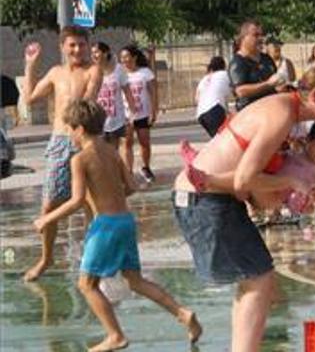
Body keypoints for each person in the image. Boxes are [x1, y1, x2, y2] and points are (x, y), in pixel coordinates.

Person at [171, 65, 315, 351]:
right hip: (203, 198)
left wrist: (280, 194)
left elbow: (248, 184)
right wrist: (291, 182)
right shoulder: (282, 114)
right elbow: (243, 181)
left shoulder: (283, 110)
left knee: (256, 280)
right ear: (314, 95)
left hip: (201, 196)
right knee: (259, 280)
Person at [34, 99, 201, 351]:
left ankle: (115, 335)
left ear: (79, 129)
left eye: (69, 129)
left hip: (106, 226)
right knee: (135, 280)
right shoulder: (112, 151)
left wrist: (47, 218)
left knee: (86, 284)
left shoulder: (79, 159)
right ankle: (182, 314)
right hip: (125, 221)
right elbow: (133, 187)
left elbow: (77, 200)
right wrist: (110, 193)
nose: (69, 135)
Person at [21, 26, 103, 281]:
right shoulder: (56, 73)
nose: (77, 49)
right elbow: (30, 98)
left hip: (85, 141)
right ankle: (46, 258)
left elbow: (86, 105)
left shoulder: (93, 71)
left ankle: (94, 259)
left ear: (88, 46)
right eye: (72, 45)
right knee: (48, 204)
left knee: (92, 204)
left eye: (81, 44)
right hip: (59, 141)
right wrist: (30, 66)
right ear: (63, 47)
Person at [183, 120, 315, 219]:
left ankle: (206, 178)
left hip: (277, 197)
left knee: (249, 177)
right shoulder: (297, 150)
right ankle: (200, 161)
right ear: (308, 140)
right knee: (248, 161)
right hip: (269, 182)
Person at [119, 45, 158, 182]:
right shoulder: (120, 73)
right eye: (122, 57)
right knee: (127, 143)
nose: (124, 60)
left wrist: (154, 111)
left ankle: (146, 168)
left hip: (143, 113)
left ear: (134, 57)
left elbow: (153, 92)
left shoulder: (145, 72)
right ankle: (128, 171)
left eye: (126, 57)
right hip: (125, 115)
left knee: (144, 142)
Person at [91, 42, 136, 149]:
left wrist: (132, 114)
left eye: (96, 52)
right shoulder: (91, 71)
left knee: (113, 152)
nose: (94, 55)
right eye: (92, 53)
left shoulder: (119, 70)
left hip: (116, 121)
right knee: (99, 153)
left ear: (105, 53)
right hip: (97, 121)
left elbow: (128, 92)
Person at [229, 20, 280, 111]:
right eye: (256, 35)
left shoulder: (266, 59)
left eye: (261, 35)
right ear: (244, 38)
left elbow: (275, 83)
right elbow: (240, 91)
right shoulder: (238, 62)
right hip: (251, 115)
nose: (261, 38)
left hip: (272, 110)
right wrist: (268, 84)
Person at [195, 56, 232, 137]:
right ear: (224, 66)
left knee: (217, 139)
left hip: (201, 114)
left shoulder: (205, 79)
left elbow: (197, 99)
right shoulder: (225, 74)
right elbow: (237, 89)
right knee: (224, 139)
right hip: (214, 110)